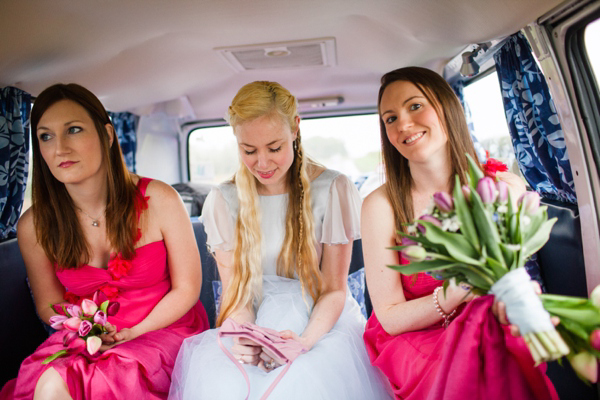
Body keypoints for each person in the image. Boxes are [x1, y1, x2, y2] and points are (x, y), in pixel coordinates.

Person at [169, 81, 392, 399]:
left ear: (296, 129)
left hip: (321, 324)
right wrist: (247, 335)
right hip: (254, 319)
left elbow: (333, 290)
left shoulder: (333, 190)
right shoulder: (223, 200)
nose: (262, 163)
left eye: (274, 148)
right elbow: (237, 296)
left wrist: (302, 343)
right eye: (249, 151)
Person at [0, 84, 209, 400]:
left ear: (108, 135)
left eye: (73, 130)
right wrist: (88, 328)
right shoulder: (34, 226)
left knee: (104, 382)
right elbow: (48, 304)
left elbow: (187, 289)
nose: (59, 148)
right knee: (48, 383)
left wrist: (132, 333)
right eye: (45, 136)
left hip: (162, 329)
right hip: (87, 335)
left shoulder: (161, 200)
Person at [361, 67, 559, 400]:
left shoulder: (502, 187)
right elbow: (391, 318)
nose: (404, 125)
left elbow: (509, 275)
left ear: (447, 107)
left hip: (487, 326)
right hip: (415, 338)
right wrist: (458, 292)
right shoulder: (380, 206)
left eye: (414, 106)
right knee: (460, 371)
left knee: (504, 352)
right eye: (390, 118)